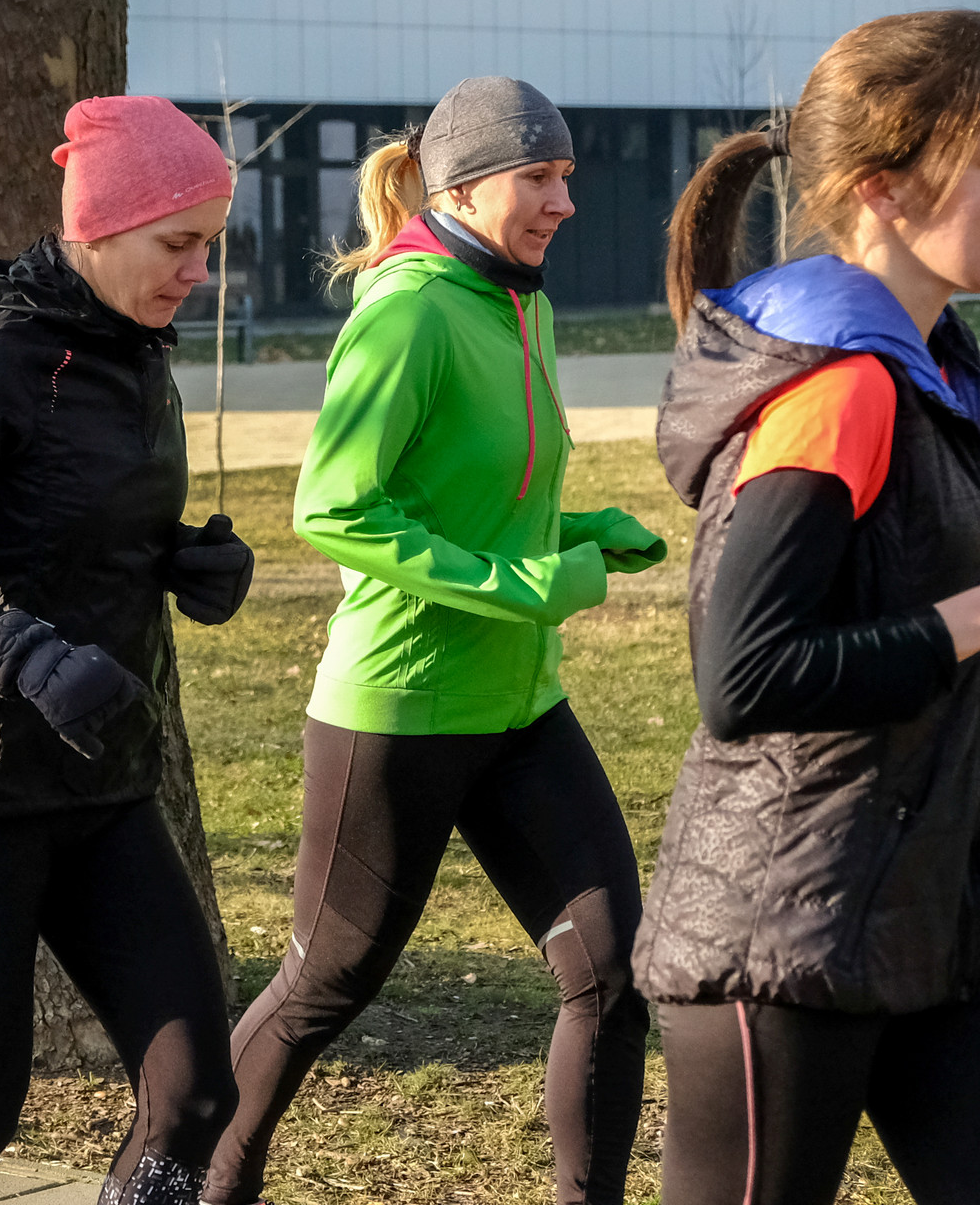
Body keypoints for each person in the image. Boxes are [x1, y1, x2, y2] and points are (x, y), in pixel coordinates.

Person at [633, 12, 980, 1205]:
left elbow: (878, 589)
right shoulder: (840, 385)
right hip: (783, 931)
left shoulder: (935, 352)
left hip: (938, 913)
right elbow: (746, 675)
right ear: (883, 186)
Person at [200, 77, 666, 1205]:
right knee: (324, 984)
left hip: (520, 704)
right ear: (459, 190)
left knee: (614, 972)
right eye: (538, 177)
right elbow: (335, 508)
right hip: (400, 709)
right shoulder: (408, 311)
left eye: (566, 175)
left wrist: (572, 528)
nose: (564, 201)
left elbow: (464, 492)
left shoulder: (520, 301)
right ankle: (186, 1184)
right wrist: (524, 580)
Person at [0, 95, 256, 1205]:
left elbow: (57, 519)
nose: (199, 271)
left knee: (195, 1092)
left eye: (210, 243)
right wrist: (20, 653)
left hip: (101, 782)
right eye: (179, 243)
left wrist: (178, 558)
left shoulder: (135, 355)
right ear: (100, 229)